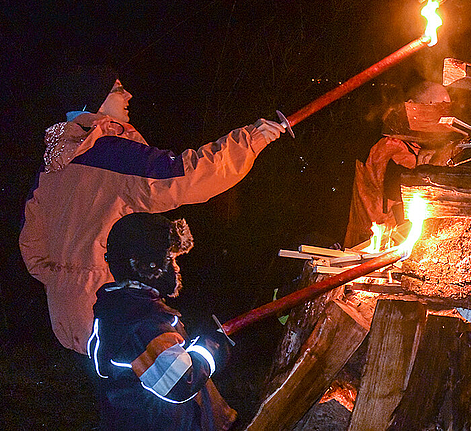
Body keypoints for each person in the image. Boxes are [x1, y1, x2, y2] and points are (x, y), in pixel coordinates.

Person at [19, 65, 285, 355]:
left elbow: (32, 246)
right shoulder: (111, 153)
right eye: (117, 89)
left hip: (64, 311)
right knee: (158, 391)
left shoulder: (53, 167)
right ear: (95, 100)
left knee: (108, 391)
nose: (128, 95)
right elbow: (185, 177)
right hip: (115, 310)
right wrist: (251, 140)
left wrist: (64, 280)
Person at [89, 212, 236, 430]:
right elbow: (181, 382)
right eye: (170, 259)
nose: (175, 267)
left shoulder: (130, 309)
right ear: (149, 265)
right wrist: (211, 346)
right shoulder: (139, 322)